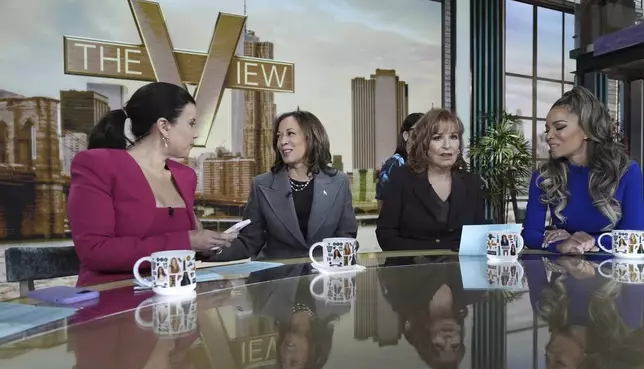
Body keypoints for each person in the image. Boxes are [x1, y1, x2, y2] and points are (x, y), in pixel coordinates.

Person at [67, 82, 235, 287]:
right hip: (113, 298)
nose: (196, 133)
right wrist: (187, 241)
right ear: (164, 126)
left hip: (176, 300)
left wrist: (205, 246)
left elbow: (185, 246)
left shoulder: (185, 175)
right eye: (191, 123)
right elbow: (95, 251)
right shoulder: (97, 165)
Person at [207, 110, 357, 261]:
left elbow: (347, 236)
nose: (282, 141)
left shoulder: (339, 182)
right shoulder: (262, 185)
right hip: (276, 279)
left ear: (310, 137)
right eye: (279, 136)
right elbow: (250, 241)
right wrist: (207, 250)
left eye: (290, 133)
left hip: (324, 278)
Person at [522, 86, 644, 254]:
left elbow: (635, 234)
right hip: (564, 275)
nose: (549, 136)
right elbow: (530, 234)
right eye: (547, 129)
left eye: (559, 127)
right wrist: (561, 245)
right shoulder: (543, 176)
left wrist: (591, 241)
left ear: (587, 130)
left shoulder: (627, 171)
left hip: (616, 274)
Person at [376, 108, 486, 251]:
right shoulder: (401, 178)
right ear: (424, 144)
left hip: (458, 270)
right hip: (411, 269)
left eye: (453, 137)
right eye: (437, 138)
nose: (447, 145)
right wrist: (432, 252)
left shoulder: (472, 183)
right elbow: (386, 235)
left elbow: (478, 236)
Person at [376, 112, 424, 210]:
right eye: (418, 130)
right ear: (406, 135)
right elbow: (383, 204)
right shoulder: (393, 165)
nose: (423, 136)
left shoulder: (429, 165)